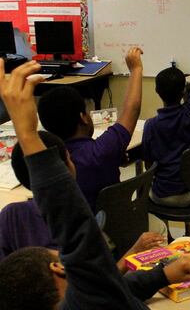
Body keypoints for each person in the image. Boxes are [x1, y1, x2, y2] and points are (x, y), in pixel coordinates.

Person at [0, 59, 190, 310]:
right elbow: (73, 225)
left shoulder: (87, 304)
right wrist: (27, 134)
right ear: (59, 269)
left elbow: (115, 286)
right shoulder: (89, 297)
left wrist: (162, 275)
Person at [143, 7, 190, 237]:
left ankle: (166, 234)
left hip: (162, 196)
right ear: (183, 92)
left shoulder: (151, 125)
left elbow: (148, 166)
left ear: (157, 91)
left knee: (151, 186)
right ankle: (189, 232)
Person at [38, 47, 144, 212]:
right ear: (83, 117)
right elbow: (132, 111)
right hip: (114, 229)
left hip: (79, 234)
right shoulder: (101, 151)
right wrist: (136, 69)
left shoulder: (49, 168)